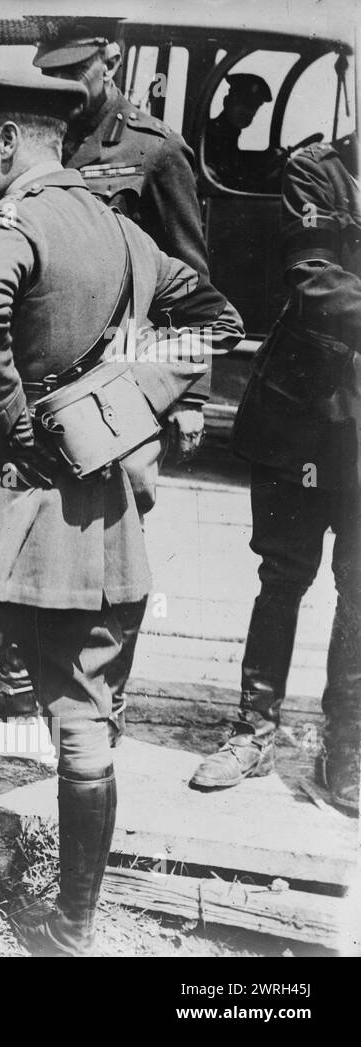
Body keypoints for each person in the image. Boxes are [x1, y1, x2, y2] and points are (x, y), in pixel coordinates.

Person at [0, 63, 243, 957]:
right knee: (85, 726)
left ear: (12, 142)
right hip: (94, 520)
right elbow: (215, 317)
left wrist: (22, 420)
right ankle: (70, 932)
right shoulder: (118, 229)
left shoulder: (13, 220)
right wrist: (115, 407)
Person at [0, 21, 210, 734]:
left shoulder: (154, 150)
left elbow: (190, 278)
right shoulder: (46, 141)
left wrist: (185, 395)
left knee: (114, 535)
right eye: (52, 69)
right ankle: (18, 676)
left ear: (110, 60)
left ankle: (104, 689)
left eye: (76, 69)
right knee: (21, 517)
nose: (64, 85)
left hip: (117, 393)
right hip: (39, 385)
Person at [190, 137, 360, 814]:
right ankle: (254, 730)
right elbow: (315, 276)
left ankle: (344, 745)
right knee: (283, 577)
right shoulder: (317, 171)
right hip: (305, 415)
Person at [204, 74, 276, 193]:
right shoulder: (210, 136)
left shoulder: (230, 136)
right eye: (242, 102)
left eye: (254, 106)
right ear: (226, 101)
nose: (247, 111)